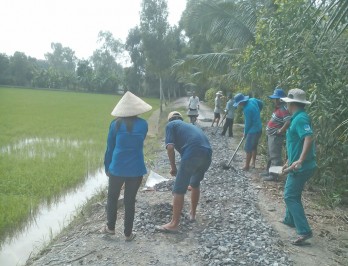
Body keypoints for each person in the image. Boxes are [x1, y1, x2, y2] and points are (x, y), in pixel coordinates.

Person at [102, 91, 152, 241]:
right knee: (130, 201)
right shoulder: (143, 124)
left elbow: (110, 148)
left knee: (112, 198)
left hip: (117, 168)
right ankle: (128, 234)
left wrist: (107, 167)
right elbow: (140, 140)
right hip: (136, 169)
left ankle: (110, 228)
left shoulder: (115, 124)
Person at [155, 111, 212, 233]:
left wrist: (173, 167)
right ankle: (192, 214)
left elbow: (170, 147)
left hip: (193, 152)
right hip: (207, 153)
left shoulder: (171, 125)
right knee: (195, 183)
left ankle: (174, 223)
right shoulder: (189, 126)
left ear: (170, 120)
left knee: (178, 189)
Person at [280, 88, 316, 246]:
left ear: (292, 104)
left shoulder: (301, 119)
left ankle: (304, 231)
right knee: (291, 192)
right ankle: (290, 219)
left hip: (302, 166)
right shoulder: (297, 118)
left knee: (290, 196)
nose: (286, 106)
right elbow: (295, 143)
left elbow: (308, 138)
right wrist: (289, 160)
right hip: (296, 164)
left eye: (288, 103)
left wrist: (300, 160)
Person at [261, 88, 291, 181]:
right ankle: (269, 171)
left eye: (275, 98)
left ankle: (274, 175)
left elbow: (288, 121)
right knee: (270, 154)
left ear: (280, 99)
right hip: (272, 135)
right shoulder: (279, 108)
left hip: (276, 136)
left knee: (275, 156)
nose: (274, 100)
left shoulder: (283, 109)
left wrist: (281, 130)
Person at [233, 93, 263, 171]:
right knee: (254, 146)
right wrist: (258, 112)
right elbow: (261, 103)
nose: (239, 105)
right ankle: (253, 163)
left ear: (241, 102)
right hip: (259, 128)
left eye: (239, 103)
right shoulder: (252, 100)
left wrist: (245, 133)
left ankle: (247, 166)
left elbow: (248, 123)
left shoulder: (247, 109)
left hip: (253, 130)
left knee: (248, 148)